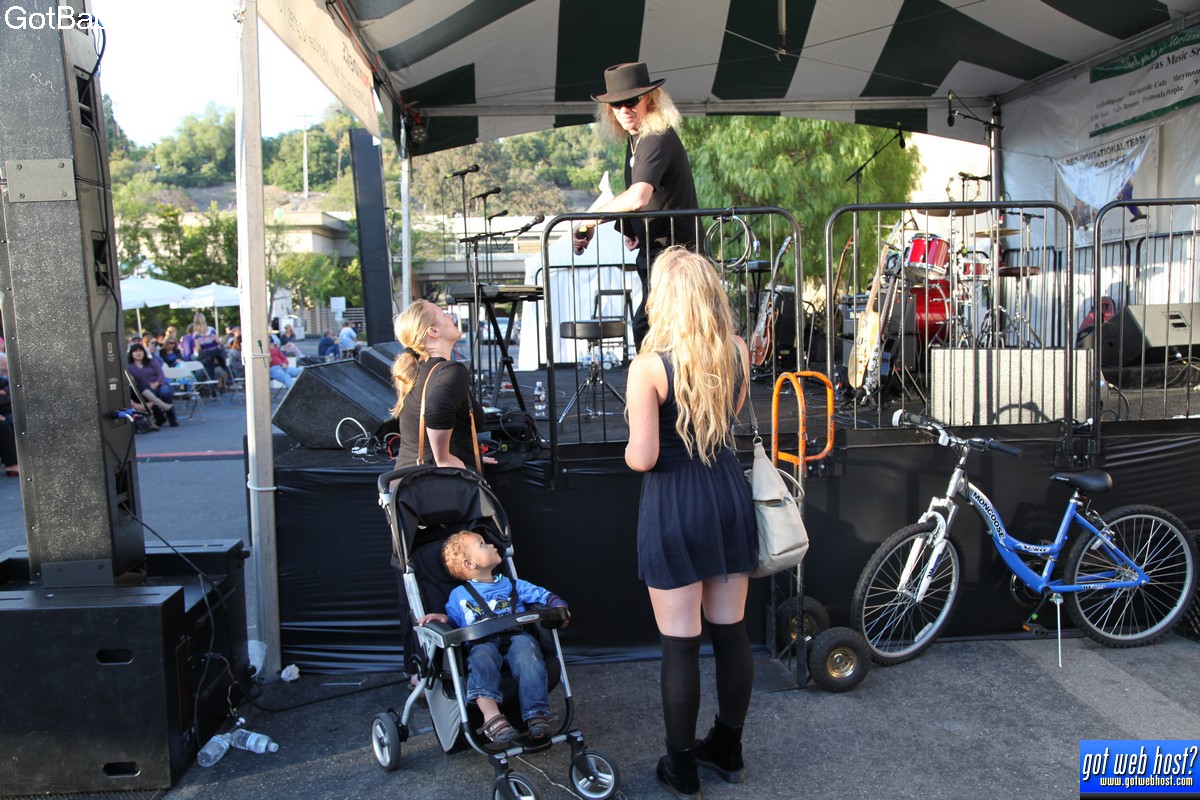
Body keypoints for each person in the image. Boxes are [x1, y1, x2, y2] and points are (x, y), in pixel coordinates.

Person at [624, 247, 756, 799]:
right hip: (727, 494)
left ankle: (681, 770)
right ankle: (728, 748)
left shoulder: (649, 368)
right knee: (731, 631)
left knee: (680, 644)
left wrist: (629, 443)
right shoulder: (738, 351)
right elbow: (727, 424)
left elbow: (644, 457)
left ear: (664, 300)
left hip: (675, 504)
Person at [572, 61, 698, 351]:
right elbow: (643, 198)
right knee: (651, 329)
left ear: (649, 99)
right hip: (658, 253)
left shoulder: (656, 137)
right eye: (616, 105)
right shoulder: (637, 140)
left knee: (659, 331)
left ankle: (665, 382)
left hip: (677, 256)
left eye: (631, 102)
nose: (624, 110)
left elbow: (638, 196)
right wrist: (630, 228)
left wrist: (589, 219)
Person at [418, 530, 567, 744]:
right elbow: (455, 623)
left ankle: (536, 713)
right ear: (469, 563)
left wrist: (557, 605)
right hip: (481, 642)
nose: (491, 545)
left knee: (529, 654)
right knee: (481, 659)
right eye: (482, 544)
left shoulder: (513, 585)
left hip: (517, 636)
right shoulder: (458, 595)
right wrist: (443, 619)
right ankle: (492, 717)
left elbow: (541, 594)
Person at [390, 300, 494, 471]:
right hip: (437, 479)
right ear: (433, 331)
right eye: (444, 315)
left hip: (409, 478)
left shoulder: (416, 372)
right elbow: (436, 410)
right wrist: (444, 459)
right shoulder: (452, 370)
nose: (451, 317)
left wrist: (471, 456)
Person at [126, 343, 178, 427]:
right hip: (145, 388)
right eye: (135, 351)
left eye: (140, 351)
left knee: (165, 392)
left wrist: (156, 384)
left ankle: (172, 419)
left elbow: (161, 375)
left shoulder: (151, 362)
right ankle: (160, 417)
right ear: (131, 353)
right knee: (146, 394)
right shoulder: (129, 367)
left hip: (160, 384)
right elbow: (132, 381)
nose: (138, 353)